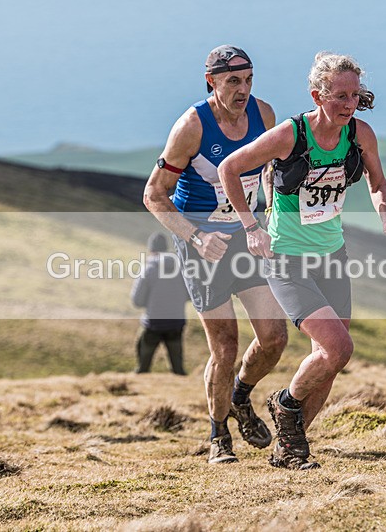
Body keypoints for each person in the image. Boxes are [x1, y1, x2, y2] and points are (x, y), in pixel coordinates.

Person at [218, 52, 386, 469]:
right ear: (316, 95)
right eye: (339, 95)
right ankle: (285, 405)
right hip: (287, 259)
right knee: (337, 347)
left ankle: (289, 448)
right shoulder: (291, 134)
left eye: (354, 95)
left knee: (331, 361)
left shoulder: (360, 134)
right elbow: (230, 168)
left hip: (332, 256)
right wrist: (251, 227)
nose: (348, 103)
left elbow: (378, 181)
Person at [143, 45, 288, 464]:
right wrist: (195, 237)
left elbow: (268, 175)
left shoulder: (264, 115)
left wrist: (270, 220)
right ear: (211, 82)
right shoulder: (191, 127)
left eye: (248, 80)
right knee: (225, 347)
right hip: (202, 244)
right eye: (232, 82)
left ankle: (241, 396)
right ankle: (218, 435)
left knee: (274, 339)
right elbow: (154, 194)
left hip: (246, 237)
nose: (243, 90)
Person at [131, 232, 189, 375]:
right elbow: (190, 294)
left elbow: (137, 300)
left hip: (153, 323)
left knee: (143, 367)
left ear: (151, 250)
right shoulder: (181, 268)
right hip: (176, 323)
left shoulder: (149, 269)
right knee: (178, 369)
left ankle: (141, 381)